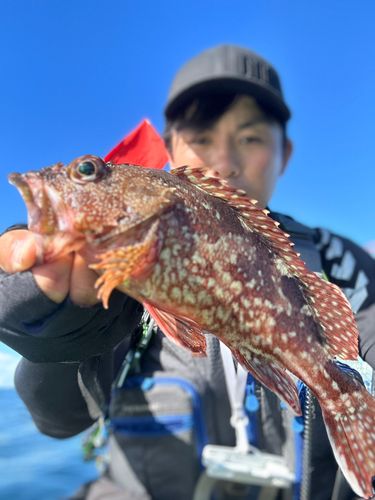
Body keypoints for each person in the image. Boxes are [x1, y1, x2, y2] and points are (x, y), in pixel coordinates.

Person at [0, 44, 375, 500]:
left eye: (251, 137)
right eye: (201, 136)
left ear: (285, 153)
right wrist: (54, 345)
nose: (224, 158)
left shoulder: (348, 264)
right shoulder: (116, 277)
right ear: (170, 142)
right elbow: (57, 419)